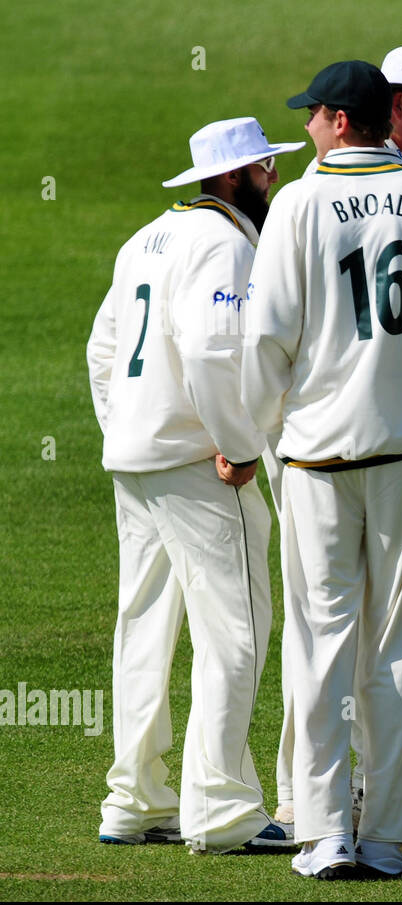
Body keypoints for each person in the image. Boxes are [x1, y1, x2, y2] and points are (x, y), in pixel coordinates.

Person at [242, 60, 402, 879]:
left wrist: (266, 430)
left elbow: (267, 338)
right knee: (395, 647)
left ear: (340, 121)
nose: (306, 129)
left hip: (315, 454)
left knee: (319, 644)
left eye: (311, 116)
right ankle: (387, 833)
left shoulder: (296, 203)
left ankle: (323, 833)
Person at [89, 116, 304, 854]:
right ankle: (223, 810)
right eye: (265, 169)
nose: (272, 179)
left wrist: (129, 427)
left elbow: (102, 349)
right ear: (234, 177)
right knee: (236, 634)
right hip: (195, 465)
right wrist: (239, 445)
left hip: (137, 459)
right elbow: (214, 350)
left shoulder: (143, 237)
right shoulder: (224, 241)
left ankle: (135, 799)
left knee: (143, 629)